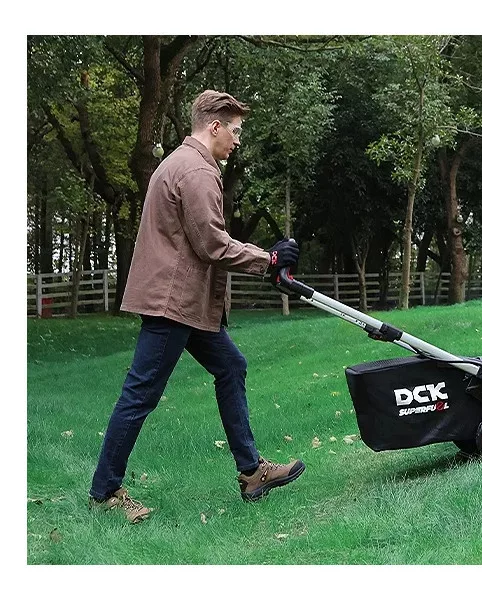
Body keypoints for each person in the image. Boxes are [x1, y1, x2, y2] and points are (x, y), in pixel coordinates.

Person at [88, 90, 304, 523]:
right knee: (140, 394)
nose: (237, 140)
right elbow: (212, 244)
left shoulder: (178, 163)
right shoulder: (198, 171)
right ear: (214, 126)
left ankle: (252, 473)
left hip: (183, 302)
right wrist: (268, 260)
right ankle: (105, 492)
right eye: (235, 131)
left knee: (231, 366)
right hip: (174, 303)